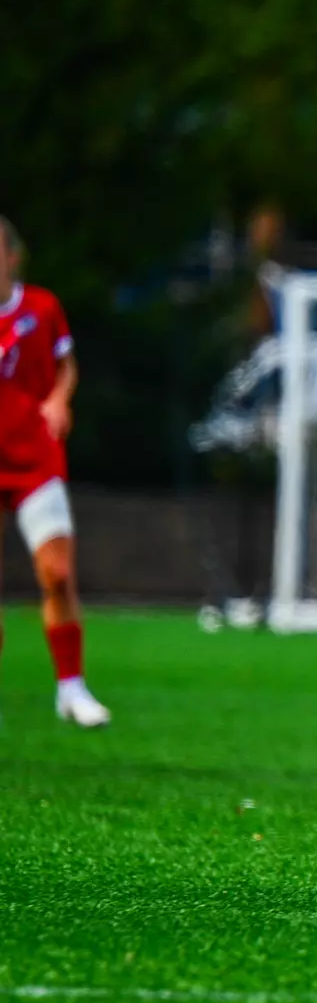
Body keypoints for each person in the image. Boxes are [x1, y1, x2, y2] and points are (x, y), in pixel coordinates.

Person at [0, 216, 110, 728]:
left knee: (57, 573)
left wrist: (58, 401)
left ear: (11, 257)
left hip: (35, 459)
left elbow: (66, 364)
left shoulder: (41, 308)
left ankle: (71, 688)